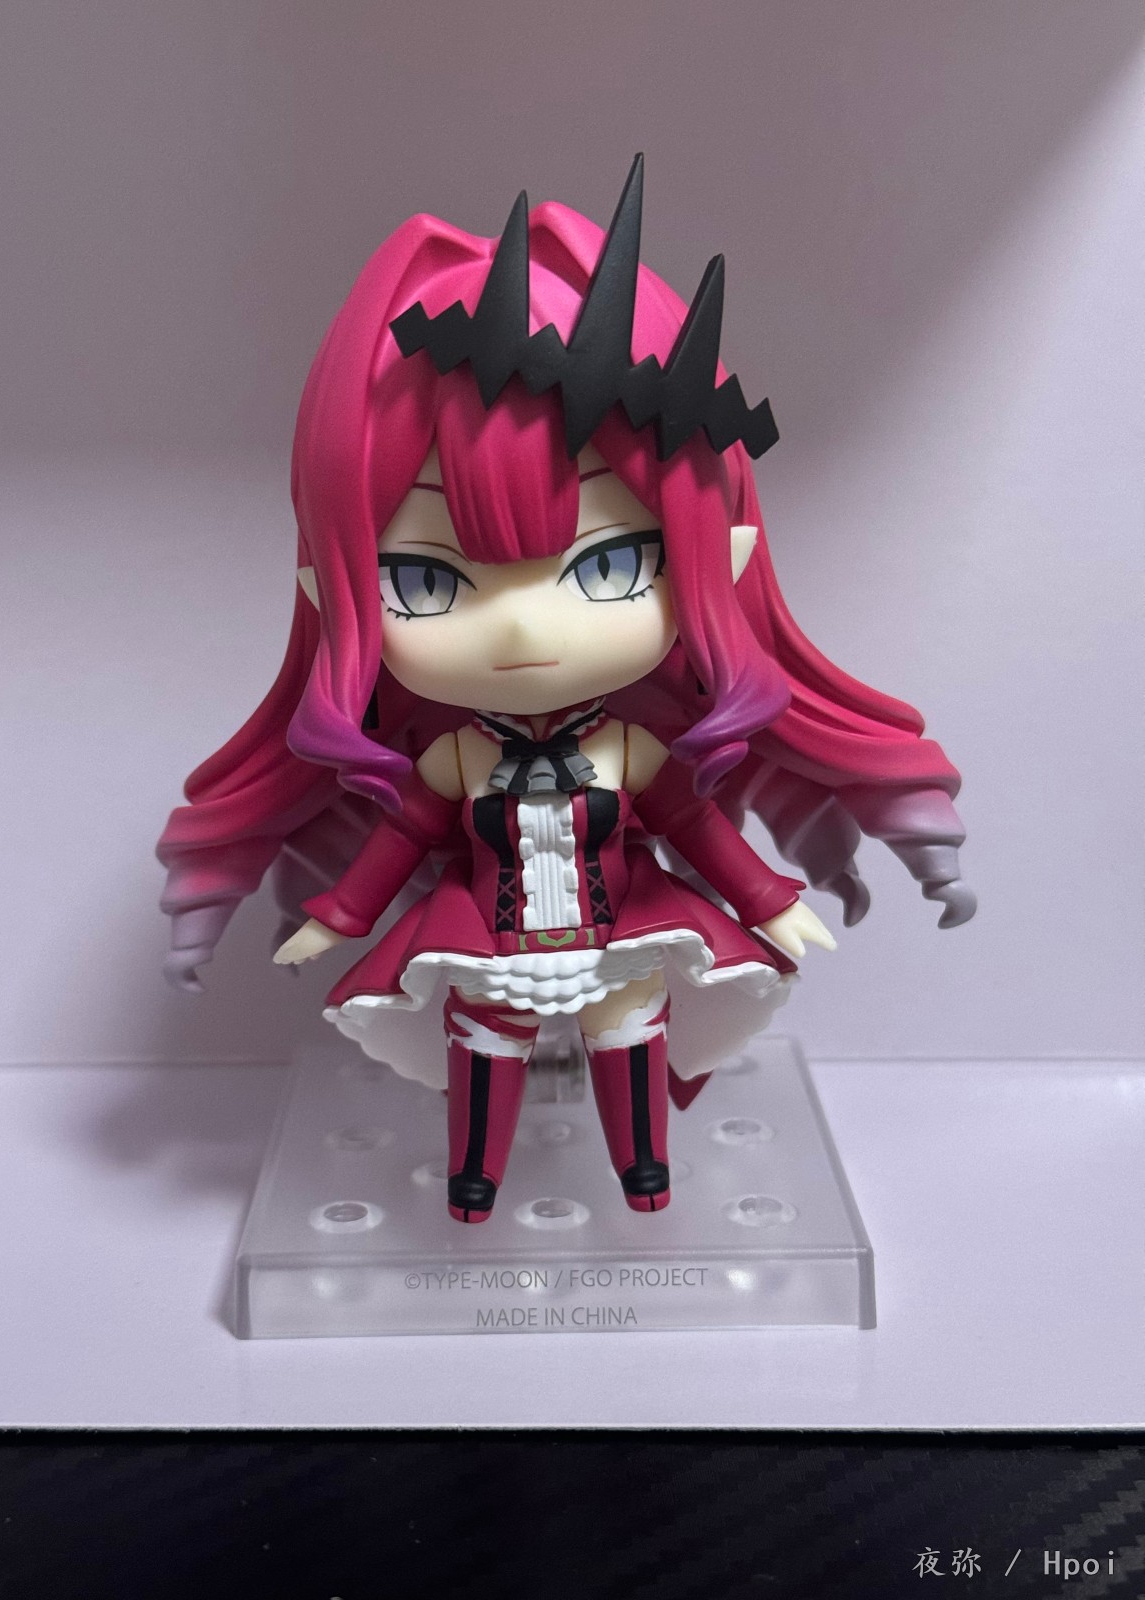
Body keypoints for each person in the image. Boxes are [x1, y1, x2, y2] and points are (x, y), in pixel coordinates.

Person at [157, 158, 973, 1223]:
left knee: (629, 1037)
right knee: (484, 1046)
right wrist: (337, 915)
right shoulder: (454, 759)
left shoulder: (631, 751)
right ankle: (474, 1182)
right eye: (426, 580)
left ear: (718, 558)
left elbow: (694, 826)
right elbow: (400, 838)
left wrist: (770, 902)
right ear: (331, 589)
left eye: (608, 565)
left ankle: (644, 1174)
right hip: (488, 944)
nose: (525, 630)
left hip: (623, 931)